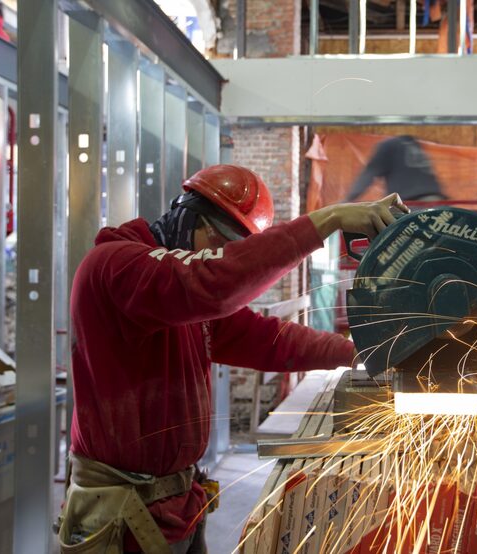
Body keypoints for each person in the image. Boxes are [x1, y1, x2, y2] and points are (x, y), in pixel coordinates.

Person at [59, 164, 408, 553]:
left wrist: (364, 352)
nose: (222, 254)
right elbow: (215, 282)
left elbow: (269, 340)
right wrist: (329, 219)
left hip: (177, 505)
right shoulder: (116, 267)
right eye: (220, 239)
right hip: (119, 514)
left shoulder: (182, 301)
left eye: (233, 245)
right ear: (186, 214)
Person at [345, 135, 447, 203]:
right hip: (437, 202)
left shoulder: (389, 146)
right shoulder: (414, 144)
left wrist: (345, 202)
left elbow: (368, 176)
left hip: (412, 204)